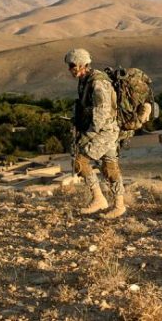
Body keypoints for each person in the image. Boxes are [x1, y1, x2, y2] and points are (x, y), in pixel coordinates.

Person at [64, 48, 127, 219]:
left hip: (104, 131)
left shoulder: (98, 83)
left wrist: (88, 135)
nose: (70, 69)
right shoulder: (85, 81)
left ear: (81, 64)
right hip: (107, 130)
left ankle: (100, 199)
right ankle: (118, 205)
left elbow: (102, 112)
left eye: (71, 65)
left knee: (80, 162)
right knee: (109, 166)